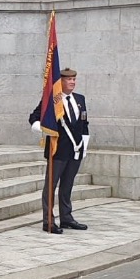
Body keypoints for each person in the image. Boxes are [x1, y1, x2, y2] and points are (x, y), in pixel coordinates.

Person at [28, 68, 89, 233]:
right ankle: (48, 221)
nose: (72, 82)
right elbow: (34, 117)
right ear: (60, 81)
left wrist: (84, 146)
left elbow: (84, 124)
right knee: (51, 187)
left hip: (75, 150)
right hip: (57, 150)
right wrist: (43, 129)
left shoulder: (80, 99)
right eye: (69, 79)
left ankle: (66, 218)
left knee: (67, 186)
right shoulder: (52, 100)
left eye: (74, 79)